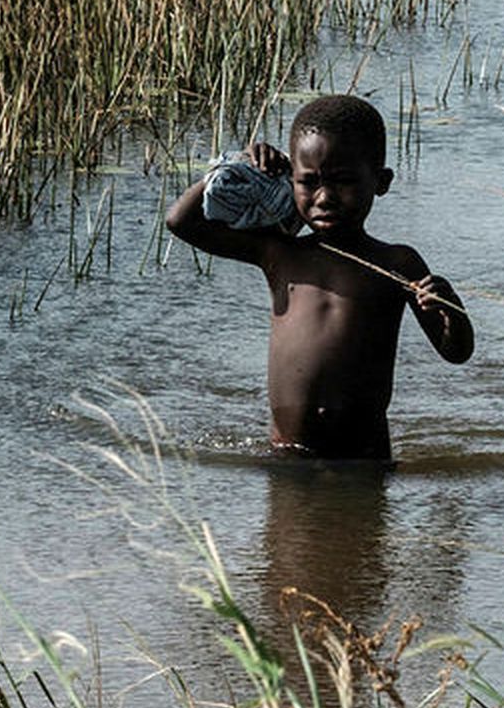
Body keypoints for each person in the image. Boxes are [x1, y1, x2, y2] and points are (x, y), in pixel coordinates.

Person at [166, 94, 474, 460]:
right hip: (287, 456)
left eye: (342, 181)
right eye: (308, 182)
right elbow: (181, 221)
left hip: (364, 458)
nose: (324, 197)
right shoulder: (280, 253)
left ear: (381, 181)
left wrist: (450, 308)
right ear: (291, 179)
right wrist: (238, 166)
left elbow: (456, 351)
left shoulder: (397, 262)